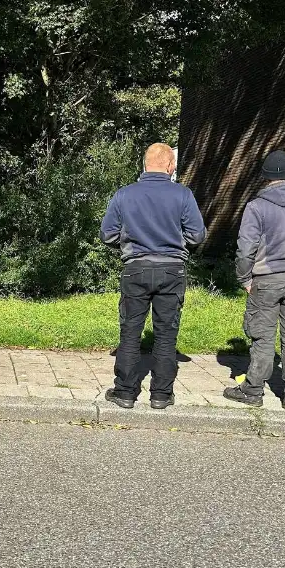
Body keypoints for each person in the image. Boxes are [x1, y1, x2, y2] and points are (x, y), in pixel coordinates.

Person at [100, 143, 206, 410]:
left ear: (145, 165)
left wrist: (128, 246)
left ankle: (125, 392)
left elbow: (107, 234)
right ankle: (161, 394)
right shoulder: (182, 195)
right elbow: (197, 235)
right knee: (166, 334)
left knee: (130, 332)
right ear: (171, 166)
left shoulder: (124, 195)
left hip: (135, 267)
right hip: (172, 269)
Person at [222, 151, 285, 410]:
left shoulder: (257, 207)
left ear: (265, 175)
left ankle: (253, 390)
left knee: (262, 336)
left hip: (266, 278)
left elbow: (246, 249)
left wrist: (244, 277)